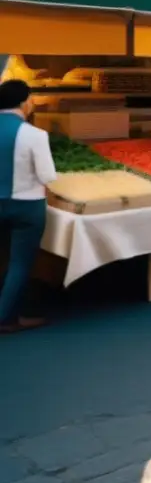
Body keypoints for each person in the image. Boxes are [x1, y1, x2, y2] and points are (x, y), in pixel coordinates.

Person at [0, 80, 55, 334]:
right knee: (19, 264)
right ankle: (6, 317)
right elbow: (47, 176)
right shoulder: (35, 135)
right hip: (27, 207)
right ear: (25, 102)